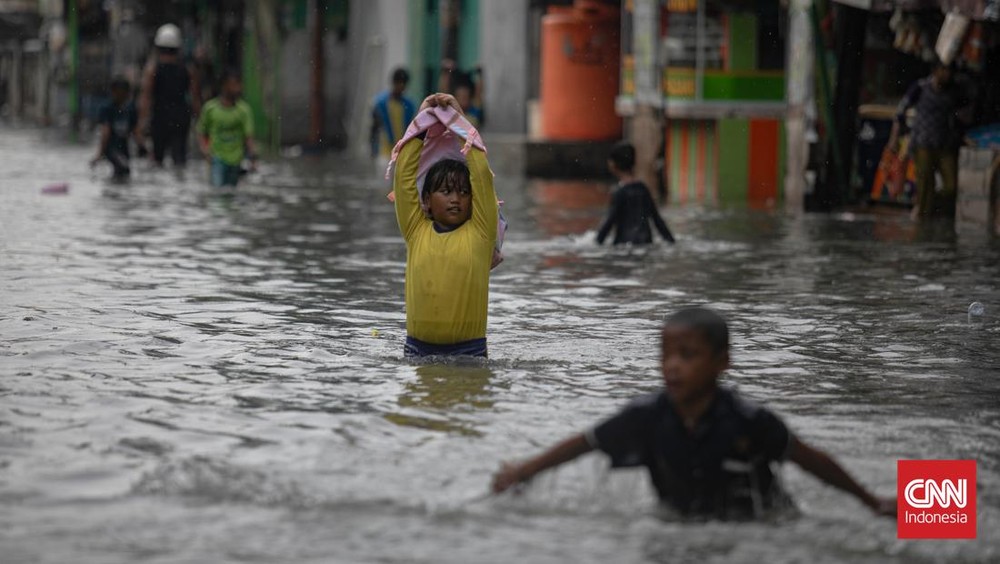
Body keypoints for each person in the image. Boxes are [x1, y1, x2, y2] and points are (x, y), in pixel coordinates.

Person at [492, 308, 897, 521]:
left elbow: (810, 460)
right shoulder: (646, 415)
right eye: (666, 355)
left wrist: (871, 501)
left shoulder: (749, 419)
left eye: (688, 356)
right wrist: (523, 472)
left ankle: (947, 503)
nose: (673, 366)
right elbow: (584, 444)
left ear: (722, 362)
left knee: (947, 516)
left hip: (760, 527)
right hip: (684, 527)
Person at [394, 93, 498, 358]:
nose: (456, 199)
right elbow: (404, 176)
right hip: (417, 351)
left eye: (463, 193)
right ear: (426, 200)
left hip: (469, 353)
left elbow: (481, 174)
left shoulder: (482, 231)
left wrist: (458, 120)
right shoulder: (415, 229)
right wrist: (422, 122)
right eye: (447, 192)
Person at [889, 61, 969, 219]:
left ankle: (932, 207)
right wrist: (895, 137)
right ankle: (923, 217)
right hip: (922, 143)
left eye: (949, 70)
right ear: (935, 71)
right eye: (943, 70)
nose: (947, 74)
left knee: (951, 186)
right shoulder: (920, 87)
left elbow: (965, 113)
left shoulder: (953, 91)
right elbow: (900, 111)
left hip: (945, 144)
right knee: (924, 184)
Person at [139, 23, 200, 168]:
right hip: (181, 118)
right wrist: (200, 121)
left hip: (159, 117)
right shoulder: (188, 69)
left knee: (157, 160)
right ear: (178, 48)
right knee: (180, 161)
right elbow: (195, 97)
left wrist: (141, 123)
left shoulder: (152, 69)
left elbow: (146, 97)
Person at [596, 142, 675, 245]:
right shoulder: (643, 189)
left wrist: (597, 242)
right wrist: (671, 241)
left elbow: (609, 222)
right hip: (646, 242)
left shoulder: (619, 193)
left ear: (612, 164)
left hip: (624, 244)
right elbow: (657, 220)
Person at [197, 71, 257, 188]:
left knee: (230, 192)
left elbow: (248, 136)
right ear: (224, 86)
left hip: (236, 160)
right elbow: (201, 132)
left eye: (239, 85)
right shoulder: (210, 108)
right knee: (218, 192)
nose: (238, 88)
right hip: (217, 158)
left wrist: (253, 158)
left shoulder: (244, 110)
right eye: (234, 85)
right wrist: (205, 150)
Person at [90, 76, 141, 181]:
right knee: (123, 169)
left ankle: (116, 189)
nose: (121, 95)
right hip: (111, 148)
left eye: (124, 92)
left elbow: (135, 131)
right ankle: (115, 191)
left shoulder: (131, 110)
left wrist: (144, 147)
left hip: (124, 148)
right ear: (113, 92)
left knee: (122, 172)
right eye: (118, 92)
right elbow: (105, 131)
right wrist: (100, 153)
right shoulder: (108, 109)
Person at [371, 68, 417, 160]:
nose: (401, 86)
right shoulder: (381, 104)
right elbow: (374, 127)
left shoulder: (409, 105)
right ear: (393, 82)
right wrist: (373, 149)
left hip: (402, 152)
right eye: (399, 83)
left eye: (403, 83)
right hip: (384, 152)